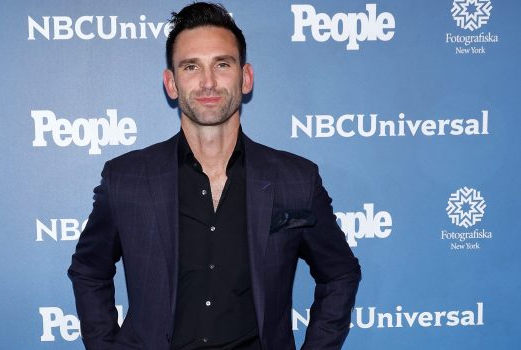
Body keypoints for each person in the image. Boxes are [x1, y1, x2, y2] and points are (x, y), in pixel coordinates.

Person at [68, 2, 361, 349]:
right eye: (191, 67)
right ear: (171, 83)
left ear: (246, 77)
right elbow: (89, 270)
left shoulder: (296, 179)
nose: (208, 82)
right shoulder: (126, 178)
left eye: (222, 64)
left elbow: (340, 273)